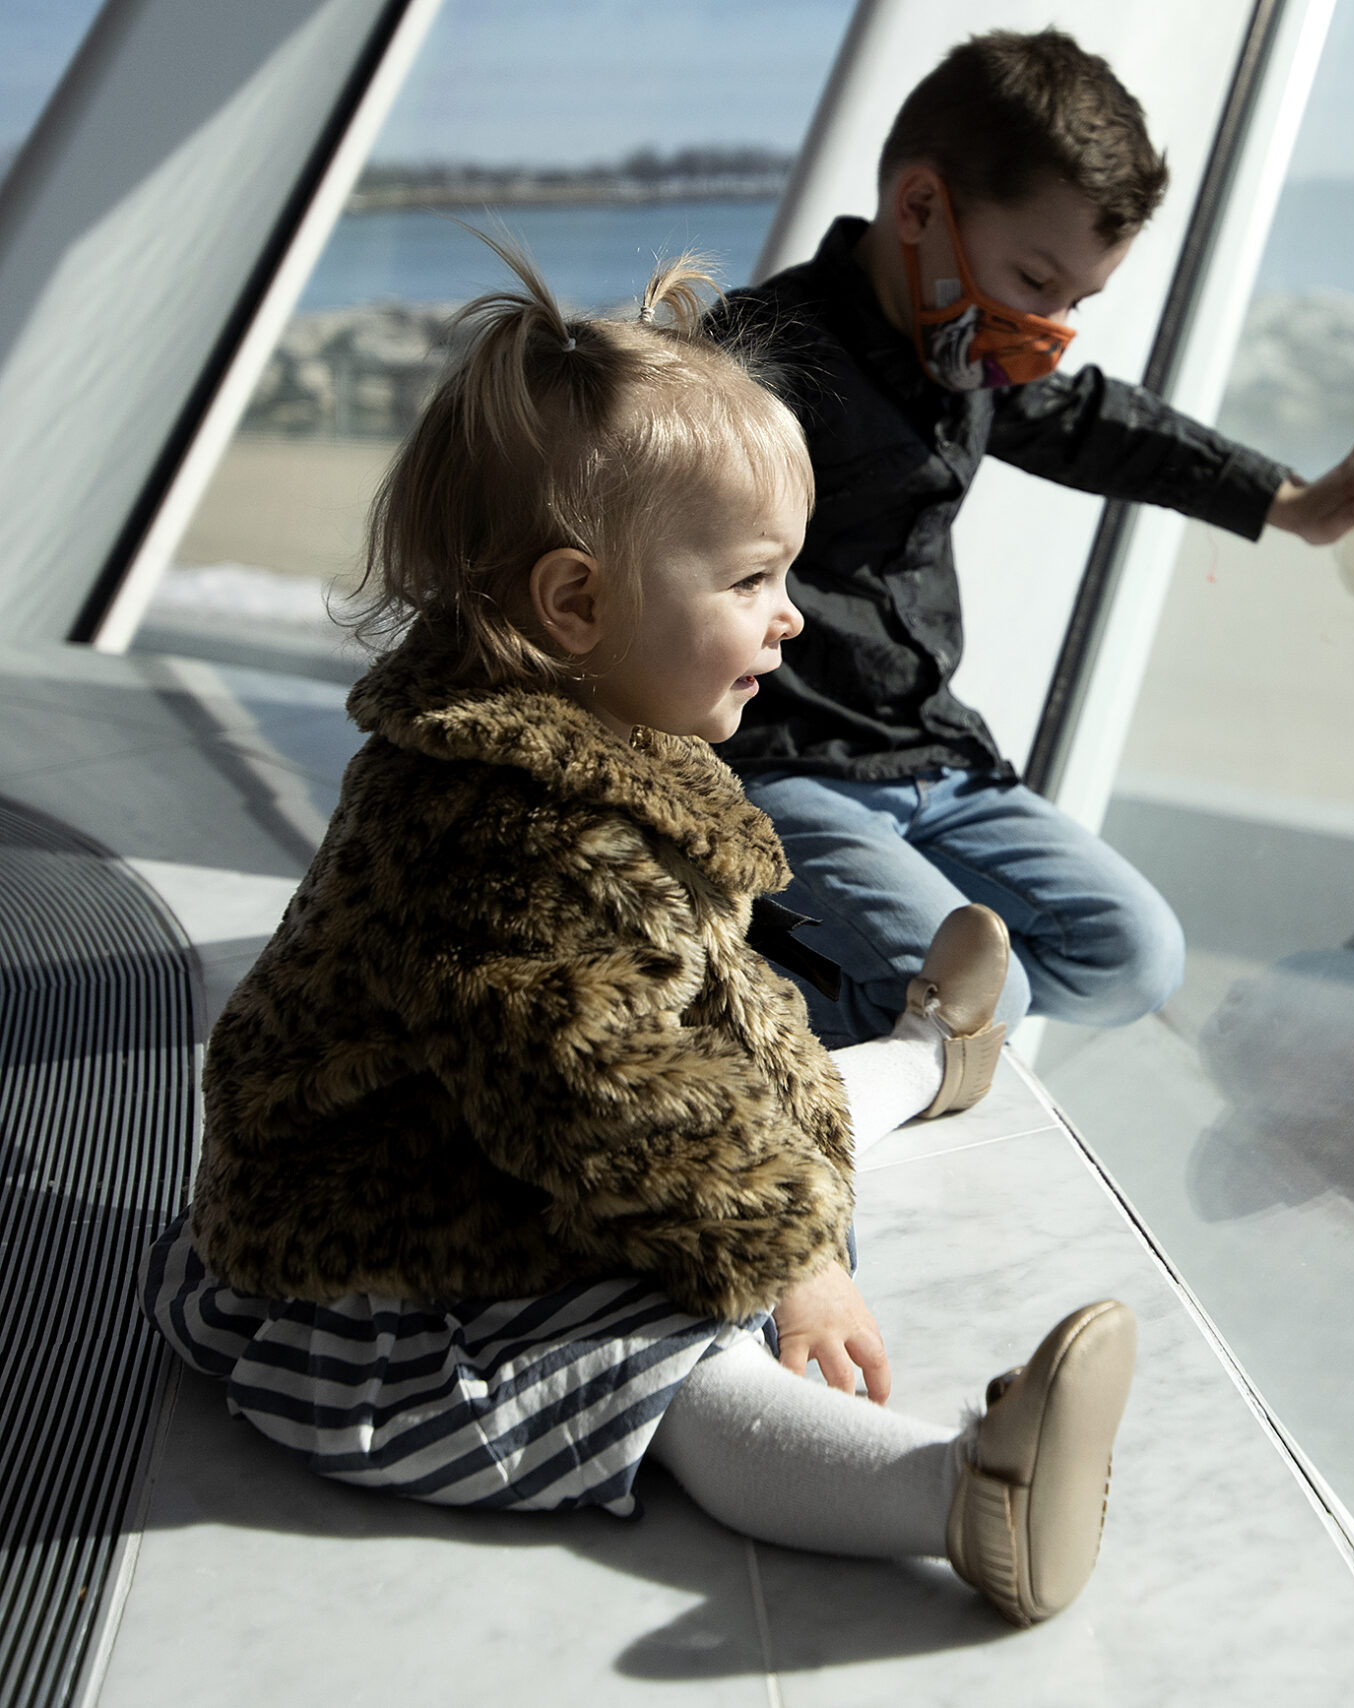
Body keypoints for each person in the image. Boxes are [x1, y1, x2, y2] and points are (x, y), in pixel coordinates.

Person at [136, 240, 1133, 1628]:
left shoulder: (589, 741)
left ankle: (924, 1050)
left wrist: (786, 1142)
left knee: (771, 1085)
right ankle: (960, 1493)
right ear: (578, 606)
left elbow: (711, 1007)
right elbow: (606, 1105)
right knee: (671, 1364)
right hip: (398, 1278)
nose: (790, 616)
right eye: (750, 580)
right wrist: (795, 1258)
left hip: (503, 1150)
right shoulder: (502, 837)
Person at [711, 28, 1354, 1048]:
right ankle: (760, 982)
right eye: (1035, 282)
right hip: (786, 768)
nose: (1047, 327)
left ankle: (882, 1000)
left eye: (1076, 301)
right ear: (919, 209)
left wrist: (1290, 503)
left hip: (935, 760)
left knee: (1134, 954)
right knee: (979, 1001)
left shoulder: (963, 357)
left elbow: (1100, 423)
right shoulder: (757, 366)